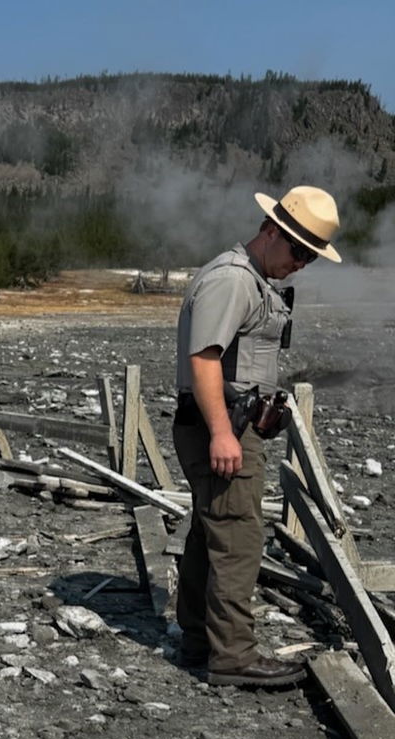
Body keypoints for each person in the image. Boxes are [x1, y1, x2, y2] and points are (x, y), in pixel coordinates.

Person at [173, 185, 341, 687]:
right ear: (271, 231)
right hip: (219, 425)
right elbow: (203, 359)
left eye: (310, 256)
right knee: (239, 537)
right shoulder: (233, 280)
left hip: (228, 421)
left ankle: (200, 640)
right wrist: (223, 432)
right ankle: (234, 657)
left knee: (213, 531)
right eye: (298, 251)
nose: (302, 263)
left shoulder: (253, 280)